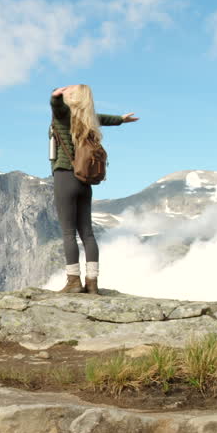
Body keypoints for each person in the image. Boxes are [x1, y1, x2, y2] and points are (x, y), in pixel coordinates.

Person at [50, 85, 138, 294]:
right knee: (87, 233)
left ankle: (73, 281)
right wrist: (121, 119)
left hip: (65, 176)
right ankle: (92, 282)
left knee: (68, 232)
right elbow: (103, 119)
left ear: (72, 98)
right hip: (85, 181)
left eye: (69, 90)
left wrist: (55, 97)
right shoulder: (88, 120)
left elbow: (57, 107)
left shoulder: (63, 116)